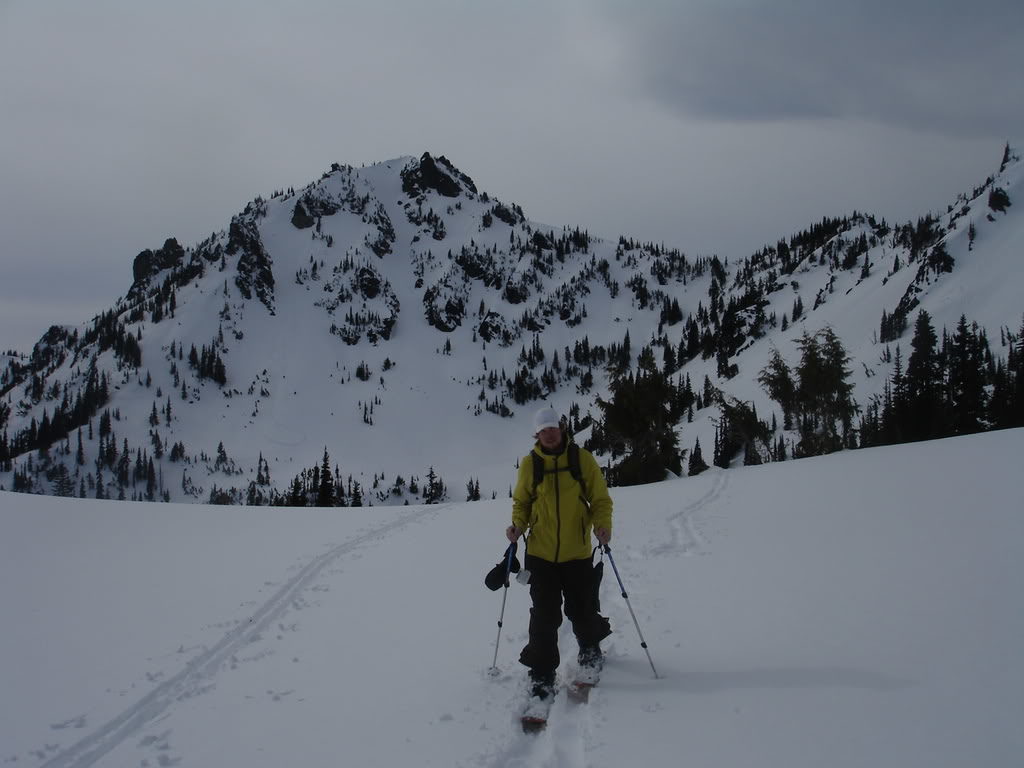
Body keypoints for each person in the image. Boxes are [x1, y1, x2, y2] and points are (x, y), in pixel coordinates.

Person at [506, 406, 613, 703]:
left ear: (561, 429)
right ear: (536, 434)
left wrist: (602, 526)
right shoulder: (530, 465)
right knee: (544, 615)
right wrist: (517, 526)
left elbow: (600, 499)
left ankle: (590, 650)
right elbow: (522, 503)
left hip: (576, 552)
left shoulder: (582, 459)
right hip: (540, 554)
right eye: (543, 430)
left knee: (582, 607)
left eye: (553, 428)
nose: (549, 434)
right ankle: (541, 673)